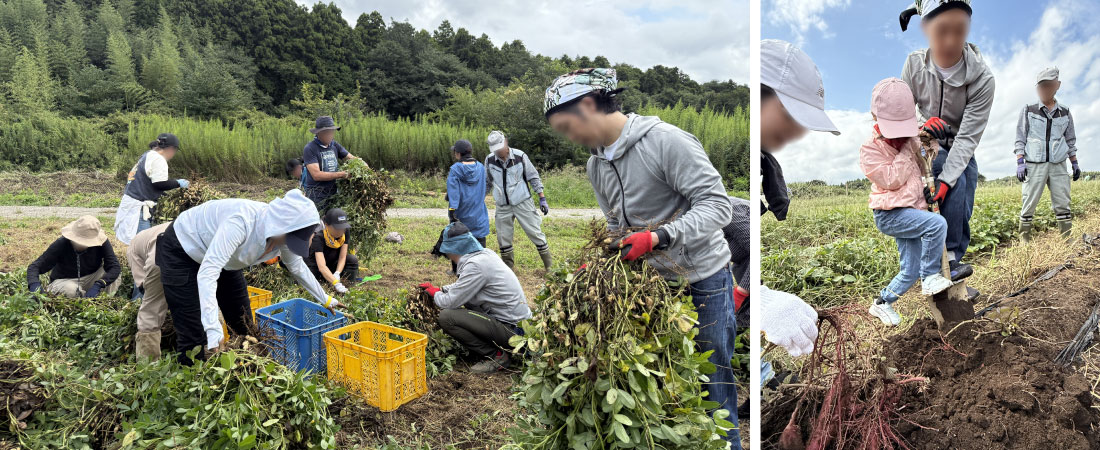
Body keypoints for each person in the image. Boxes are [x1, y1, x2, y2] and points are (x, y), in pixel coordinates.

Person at [543, 68, 740, 446]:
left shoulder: (665, 141)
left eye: (568, 127)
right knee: (665, 380)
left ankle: (728, 442)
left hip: (703, 278)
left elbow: (717, 206)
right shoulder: (595, 164)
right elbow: (616, 223)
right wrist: (604, 259)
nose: (570, 138)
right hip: (648, 287)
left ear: (588, 105)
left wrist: (660, 236)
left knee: (712, 377)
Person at [155, 189, 341, 365]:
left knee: (243, 322)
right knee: (194, 335)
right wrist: (213, 329)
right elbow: (208, 272)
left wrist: (325, 299)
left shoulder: (285, 233)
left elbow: (297, 267)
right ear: (281, 226)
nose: (290, 244)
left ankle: (244, 368)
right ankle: (192, 380)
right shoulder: (241, 222)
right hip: (184, 250)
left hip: (226, 260)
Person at [900, 0, 994, 299]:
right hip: (924, 145)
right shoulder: (914, 65)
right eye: (942, 31)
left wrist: (946, 181)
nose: (951, 40)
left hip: (959, 147)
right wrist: (922, 126)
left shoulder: (982, 78)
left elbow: (967, 139)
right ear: (925, 27)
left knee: (961, 186)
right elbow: (899, 112)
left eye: (960, 30)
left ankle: (952, 263)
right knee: (919, 207)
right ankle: (926, 269)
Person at [860, 78, 962, 326]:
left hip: (909, 210)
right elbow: (892, 179)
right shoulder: (869, 150)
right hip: (889, 214)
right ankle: (930, 277)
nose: (900, 135)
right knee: (936, 225)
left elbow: (928, 156)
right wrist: (909, 147)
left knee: (909, 270)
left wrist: (931, 137)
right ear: (876, 118)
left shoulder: (912, 136)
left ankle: (882, 303)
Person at [757, 40, 830, 360]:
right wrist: (759, 300)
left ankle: (761, 376)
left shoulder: (762, 161)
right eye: (789, 116)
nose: (798, 133)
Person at [418, 222, 529, 374]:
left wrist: (435, 294)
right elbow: (464, 287)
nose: (449, 257)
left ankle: (496, 356)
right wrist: (441, 289)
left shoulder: (475, 266)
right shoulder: (485, 255)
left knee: (447, 317)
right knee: (464, 307)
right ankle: (496, 348)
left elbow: (449, 302)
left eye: (448, 253)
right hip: (520, 327)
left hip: (515, 333)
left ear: (454, 249)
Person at [1015, 67, 1079, 241]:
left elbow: (1070, 139)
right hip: (1034, 164)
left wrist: (1074, 162)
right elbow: (1020, 137)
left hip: (1058, 164)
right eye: (1041, 86)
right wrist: (1020, 161)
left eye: (1049, 85)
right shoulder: (1029, 109)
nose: (1045, 89)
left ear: (1057, 85)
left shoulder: (1064, 112)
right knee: (1029, 201)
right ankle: (1024, 238)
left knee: (1063, 201)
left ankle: (1067, 238)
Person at [484, 130, 552, 271]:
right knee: (503, 238)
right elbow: (487, 182)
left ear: (506, 142)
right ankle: (509, 270)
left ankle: (549, 268)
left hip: (523, 202)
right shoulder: (489, 160)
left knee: (535, 233)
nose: (498, 152)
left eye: (500, 148)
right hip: (502, 205)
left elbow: (533, 177)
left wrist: (542, 198)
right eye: (495, 150)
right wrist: (479, 200)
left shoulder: (520, 156)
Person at [114, 133, 188, 246]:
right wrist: (178, 183)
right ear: (171, 149)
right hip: (138, 208)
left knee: (136, 243)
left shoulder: (147, 155)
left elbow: (147, 181)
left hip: (130, 202)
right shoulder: (159, 159)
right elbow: (159, 183)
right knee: (143, 245)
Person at [27, 215, 121, 298]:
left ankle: (100, 300)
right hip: (65, 281)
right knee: (71, 290)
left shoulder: (101, 242)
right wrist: (34, 285)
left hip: (91, 278)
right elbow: (34, 267)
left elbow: (114, 266)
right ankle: (82, 300)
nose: (82, 245)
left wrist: (99, 284)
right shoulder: (62, 243)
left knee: (114, 277)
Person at [444, 139, 490, 274]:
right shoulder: (481, 167)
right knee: (480, 237)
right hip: (478, 210)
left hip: (461, 211)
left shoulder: (456, 169)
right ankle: (481, 268)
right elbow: (483, 187)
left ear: (458, 153)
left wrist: (452, 211)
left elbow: (453, 192)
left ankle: (456, 270)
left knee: (456, 237)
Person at [131, 222, 171, 361]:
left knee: (152, 305)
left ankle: (147, 364)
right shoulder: (135, 248)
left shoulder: (136, 243)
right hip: (159, 255)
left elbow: (144, 287)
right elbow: (144, 285)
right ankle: (148, 365)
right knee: (154, 304)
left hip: (165, 249)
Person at [301, 116, 357, 211]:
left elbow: (351, 158)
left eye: (332, 132)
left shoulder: (334, 145)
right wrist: (342, 174)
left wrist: (363, 165)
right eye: (327, 132)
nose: (330, 135)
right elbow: (316, 175)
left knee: (335, 222)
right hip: (317, 195)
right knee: (320, 222)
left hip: (334, 193)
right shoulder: (310, 148)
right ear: (319, 132)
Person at [306, 208, 359, 294]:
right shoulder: (319, 237)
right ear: (327, 225)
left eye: (343, 228)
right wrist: (336, 283)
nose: (341, 231)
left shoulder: (345, 232)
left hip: (333, 263)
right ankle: (327, 283)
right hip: (317, 268)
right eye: (337, 228)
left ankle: (349, 290)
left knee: (352, 260)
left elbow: (342, 257)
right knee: (314, 286)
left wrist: (337, 273)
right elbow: (322, 267)